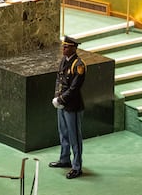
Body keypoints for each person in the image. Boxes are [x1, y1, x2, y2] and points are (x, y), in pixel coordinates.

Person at [48, 36, 86, 179]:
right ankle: (65, 159)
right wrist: (57, 97)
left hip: (73, 106)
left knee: (74, 137)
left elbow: (74, 88)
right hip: (62, 104)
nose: (63, 49)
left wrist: (61, 99)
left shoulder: (79, 65)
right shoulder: (64, 60)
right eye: (63, 46)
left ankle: (77, 167)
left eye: (67, 47)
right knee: (63, 133)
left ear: (74, 48)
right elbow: (59, 80)